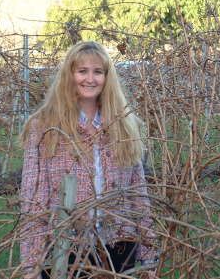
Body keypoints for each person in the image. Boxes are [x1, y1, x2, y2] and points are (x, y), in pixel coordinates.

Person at [19, 41, 157, 279]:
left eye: (98, 72)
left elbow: (138, 194)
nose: (90, 79)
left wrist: (148, 256)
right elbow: (34, 198)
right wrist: (32, 264)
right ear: (70, 75)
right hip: (69, 246)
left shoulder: (124, 125)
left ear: (107, 77)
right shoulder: (44, 125)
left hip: (122, 245)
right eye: (82, 71)